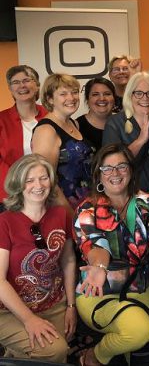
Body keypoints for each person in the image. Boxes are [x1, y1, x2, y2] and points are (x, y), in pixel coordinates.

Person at [73, 144, 149, 366]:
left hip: (140, 287)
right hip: (100, 291)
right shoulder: (87, 210)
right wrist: (99, 268)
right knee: (138, 331)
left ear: (131, 170)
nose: (115, 174)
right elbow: (97, 247)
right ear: (98, 174)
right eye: (107, 168)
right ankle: (94, 357)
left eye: (121, 166)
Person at [0, 154, 76, 363]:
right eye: (29, 180)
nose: (38, 185)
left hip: (53, 302)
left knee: (64, 344)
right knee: (55, 351)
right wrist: (29, 319)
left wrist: (71, 306)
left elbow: (68, 261)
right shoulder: (4, 222)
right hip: (9, 310)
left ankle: (13, 357)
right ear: (18, 184)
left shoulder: (61, 214)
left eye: (43, 178)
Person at [103, 72, 149, 207]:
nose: (145, 98)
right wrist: (141, 139)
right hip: (132, 204)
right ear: (130, 95)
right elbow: (112, 166)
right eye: (139, 93)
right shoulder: (115, 124)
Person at [32, 74, 94, 210]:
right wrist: (70, 218)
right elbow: (47, 182)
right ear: (50, 99)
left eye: (74, 92)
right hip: (65, 209)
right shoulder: (46, 130)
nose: (71, 98)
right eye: (63, 94)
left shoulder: (74, 123)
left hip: (87, 206)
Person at [0, 65, 47, 205]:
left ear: (37, 85)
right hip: (11, 194)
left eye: (27, 80)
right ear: (10, 88)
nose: (22, 85)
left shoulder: (51, 117)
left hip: (46, 192)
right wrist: (17, 185)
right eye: (15, 82)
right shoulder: (1, 120)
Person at [77, 77, 116, 151]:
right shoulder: (77, 126)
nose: (102, 98)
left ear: (114, 98)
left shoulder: (124, 122)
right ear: (87, 100)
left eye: (107, 94)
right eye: (95, 94)